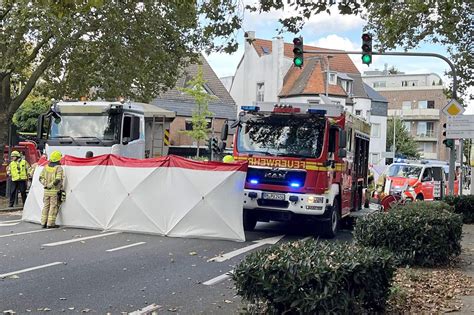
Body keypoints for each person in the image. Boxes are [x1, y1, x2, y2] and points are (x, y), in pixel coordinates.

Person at [39, 151, 64, 228]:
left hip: (46, 191)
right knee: (53, 207)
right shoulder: (59, 168)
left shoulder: (46, 167)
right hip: (54, 191)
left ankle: (43, 222)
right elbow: (58, 180)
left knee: (46, 206)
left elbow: (40, 178)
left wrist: (46, 185)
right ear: (58, 159)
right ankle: (50, 223)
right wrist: (50, 185)